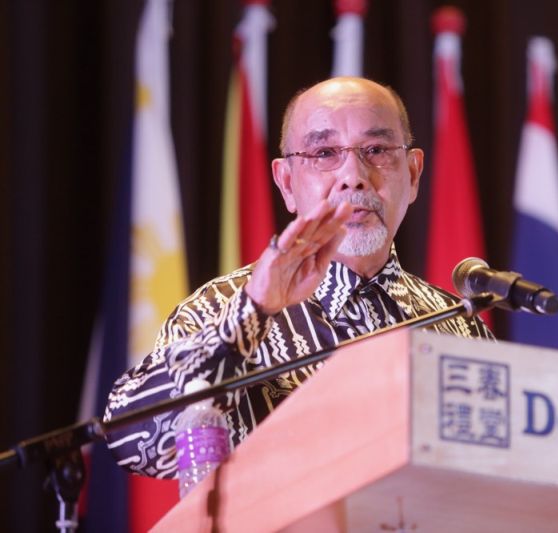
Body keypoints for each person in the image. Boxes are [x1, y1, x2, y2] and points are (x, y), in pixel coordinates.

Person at [104, 77, 493, 478]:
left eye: (375, 150)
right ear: (287, 183)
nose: (353, 176)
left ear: (412, 174)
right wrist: (252, 313)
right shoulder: (216, 310)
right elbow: (132, 440)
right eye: (324, 153)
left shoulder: (458, 326)